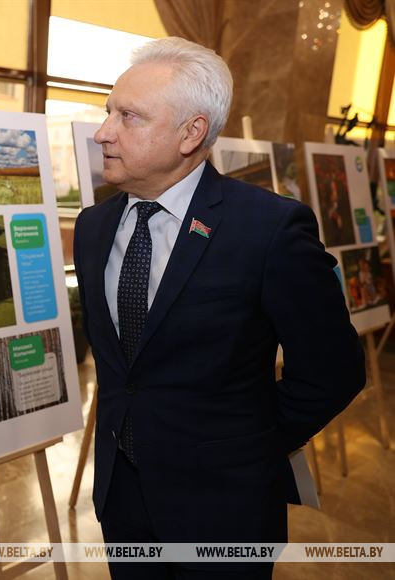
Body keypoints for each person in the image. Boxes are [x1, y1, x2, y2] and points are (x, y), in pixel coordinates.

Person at [73, 37, 365, 579]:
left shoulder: (269, 229)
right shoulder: (93, 229)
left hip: (223, 512)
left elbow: (334, 370)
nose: (103, 132)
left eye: (129, 117)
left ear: (192, 132)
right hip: (122, 503)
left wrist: (247, 447)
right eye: (108, 111)